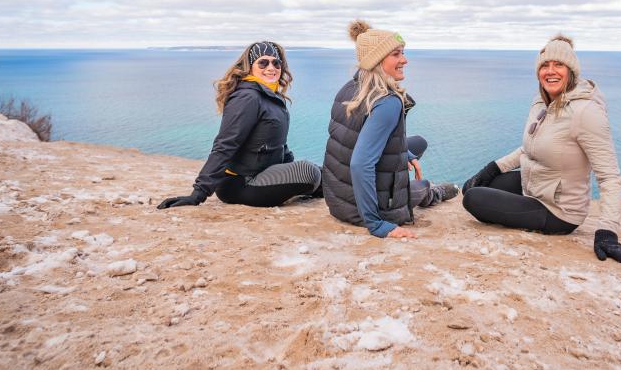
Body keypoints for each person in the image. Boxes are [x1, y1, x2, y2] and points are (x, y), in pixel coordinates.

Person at [461, 34, 621, 264]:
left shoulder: (586, 112)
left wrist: (608, 233)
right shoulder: (540, 102)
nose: (551, 71)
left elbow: (609, 177)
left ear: (571, 71)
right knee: (476, 185)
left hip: (558, 210)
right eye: (545, 65)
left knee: (474, 198)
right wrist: (492, 168)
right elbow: (529, 147)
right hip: (535, 186)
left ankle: (543, 220)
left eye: (559, 65)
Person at [322, 20, 458, 238]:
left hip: (338, 199)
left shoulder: (348, 89)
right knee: (420, 186)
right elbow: (360, 164)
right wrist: (376, 224)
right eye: (396, 54)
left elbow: (350, 145)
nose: (405, 60)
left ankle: (410, 161)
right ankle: (434, 193)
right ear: (377, 60)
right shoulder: (387, 101)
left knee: (417, 143)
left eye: (402, 53)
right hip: (367, 210)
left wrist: (407, 154)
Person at [157, 41, 321, 209]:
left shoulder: (271, 96)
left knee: (323, 172)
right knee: (309, 172)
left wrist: (290, 169)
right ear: (250, 66)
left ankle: (325, 187)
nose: (271, 67)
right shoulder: (247, 97)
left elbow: (279, 145)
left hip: (265, 173)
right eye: (263, 62)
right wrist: (198, 194)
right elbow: (225, 145)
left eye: (276, 62)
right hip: (241, 184)